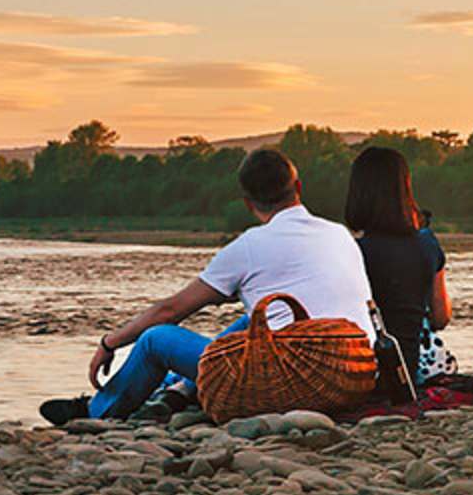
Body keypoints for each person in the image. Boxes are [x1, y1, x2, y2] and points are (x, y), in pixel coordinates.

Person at [39, 148, 370, 425]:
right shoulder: (338, 233)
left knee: (156, 340)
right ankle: (177, 389)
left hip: (295, 380)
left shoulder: (249, 246)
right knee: (249, 324)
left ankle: (96, 411)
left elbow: (170, 310)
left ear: (247, 203)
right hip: (355, 373)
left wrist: (110, 342)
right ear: (298, 186)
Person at [343, 146, 454, 385]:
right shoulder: (427, 243)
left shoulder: (352, 251)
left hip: (366, 370)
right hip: (416, 370)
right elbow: (441, 317)